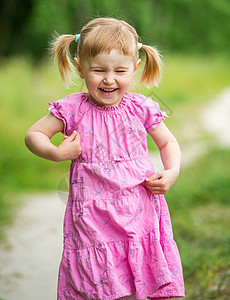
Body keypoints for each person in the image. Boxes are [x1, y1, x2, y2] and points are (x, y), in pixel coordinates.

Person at [25, 17, 185, 300]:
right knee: (103, 283)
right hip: (93, 218)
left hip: (139, 212)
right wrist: (57, 152)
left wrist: (171, 171)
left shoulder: (141, 107)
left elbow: (168, 142)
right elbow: (34, 135)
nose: (109, 79)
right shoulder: (73, 109)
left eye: (120, 70)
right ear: (80, 67)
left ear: (135, 68)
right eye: (98, 70)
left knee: (138, 280)